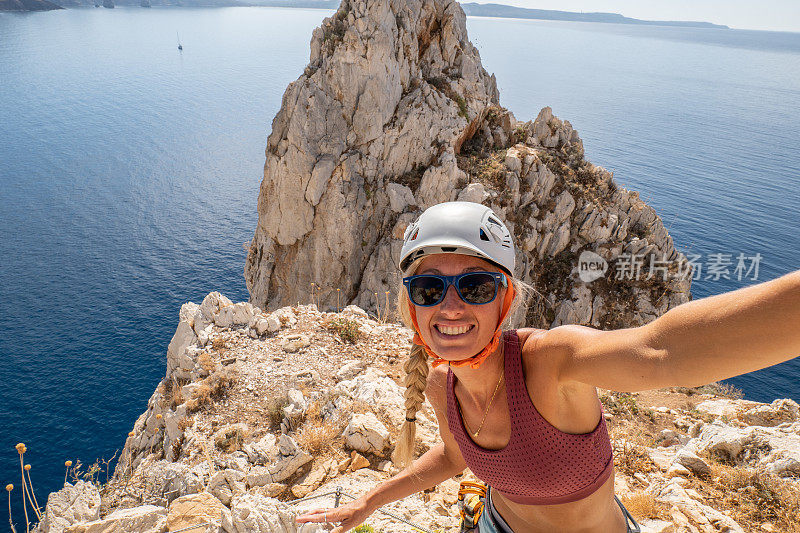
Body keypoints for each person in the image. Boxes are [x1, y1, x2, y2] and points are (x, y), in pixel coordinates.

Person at [295, 201, 800, 532]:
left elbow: (663, 350)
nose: (450, 307)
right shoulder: (438, 384)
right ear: (412, 306)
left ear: (505, 301)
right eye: (430, 290)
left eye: (474, 287)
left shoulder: (553, 363)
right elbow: (454, 458)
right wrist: (370, 502)